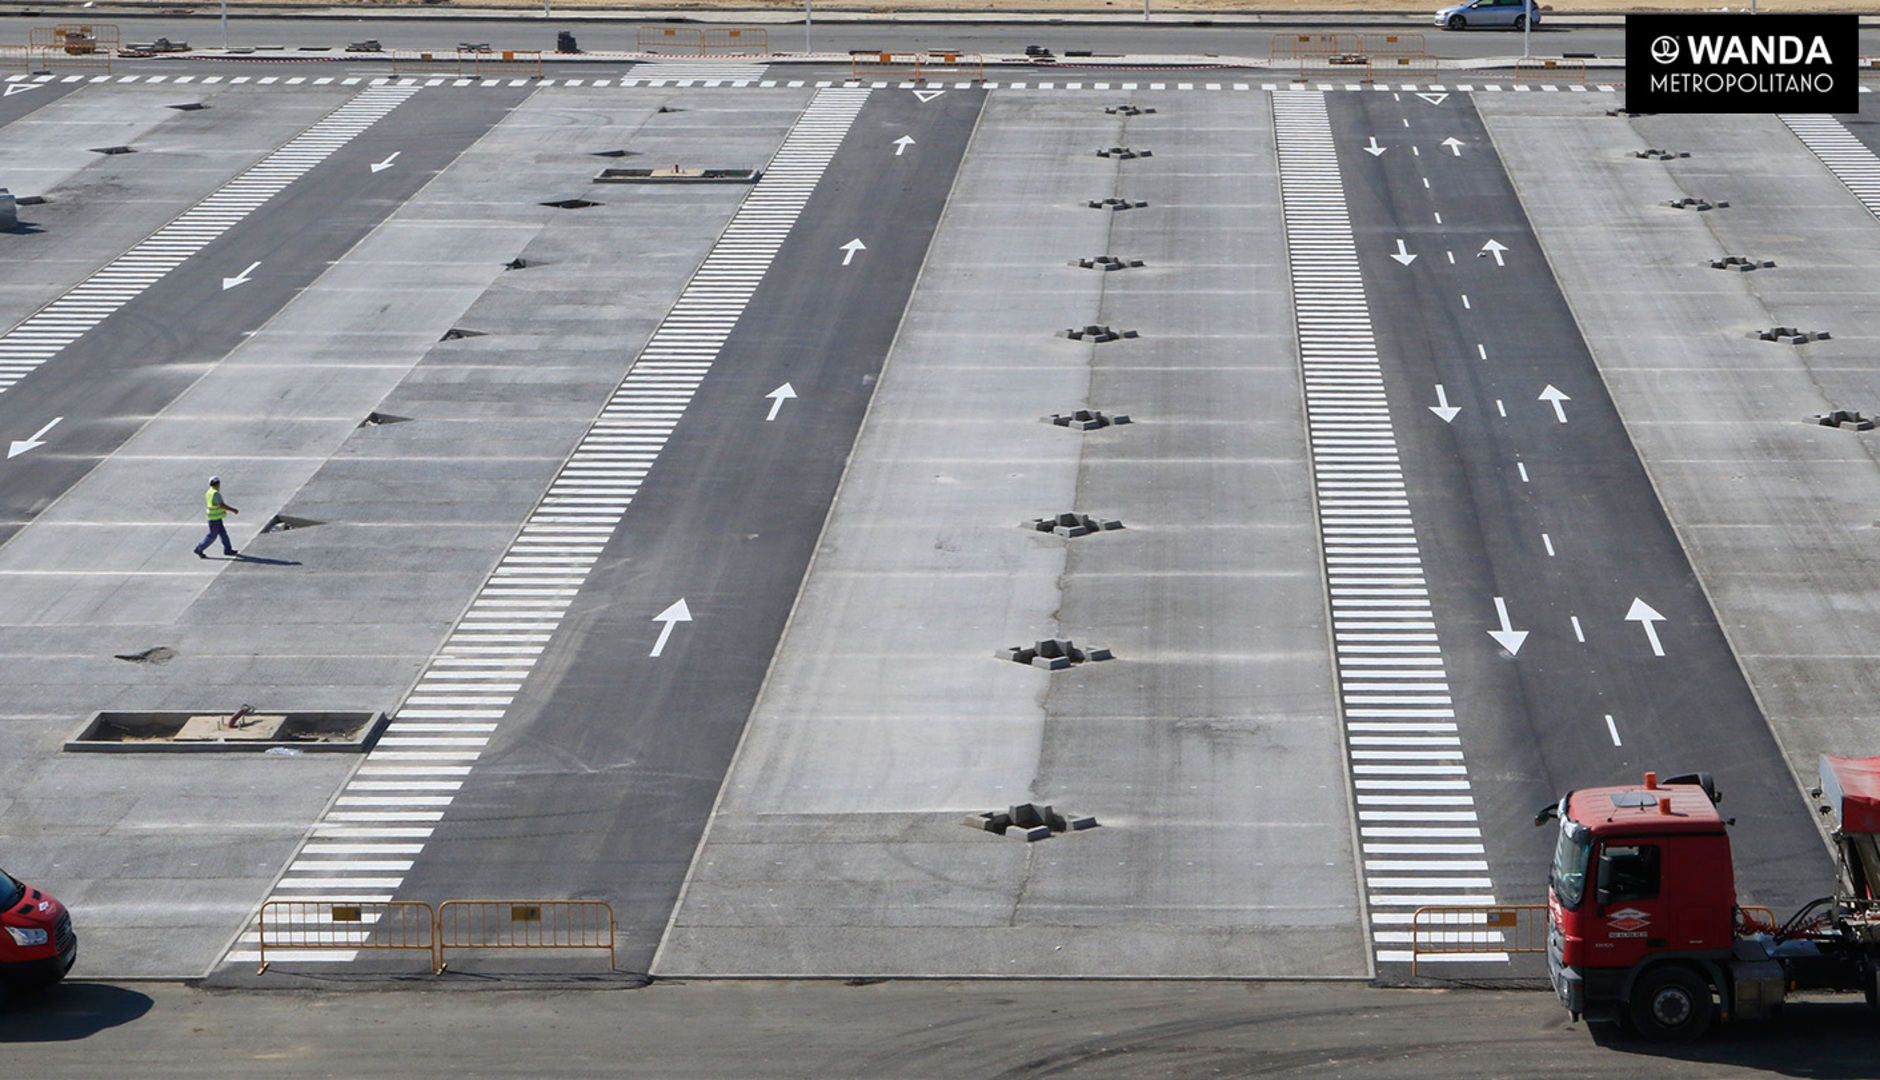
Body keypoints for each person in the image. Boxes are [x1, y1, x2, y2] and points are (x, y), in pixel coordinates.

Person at [193, 476, 239, 558]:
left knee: (223, 533)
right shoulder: (215, 493)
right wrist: (233, 510)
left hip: (215, 518)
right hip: (214, 519)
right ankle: (199, 549)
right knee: (212, 535)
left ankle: (228, 549)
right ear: (218, 483)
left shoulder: (209, 492)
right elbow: (222, 505)